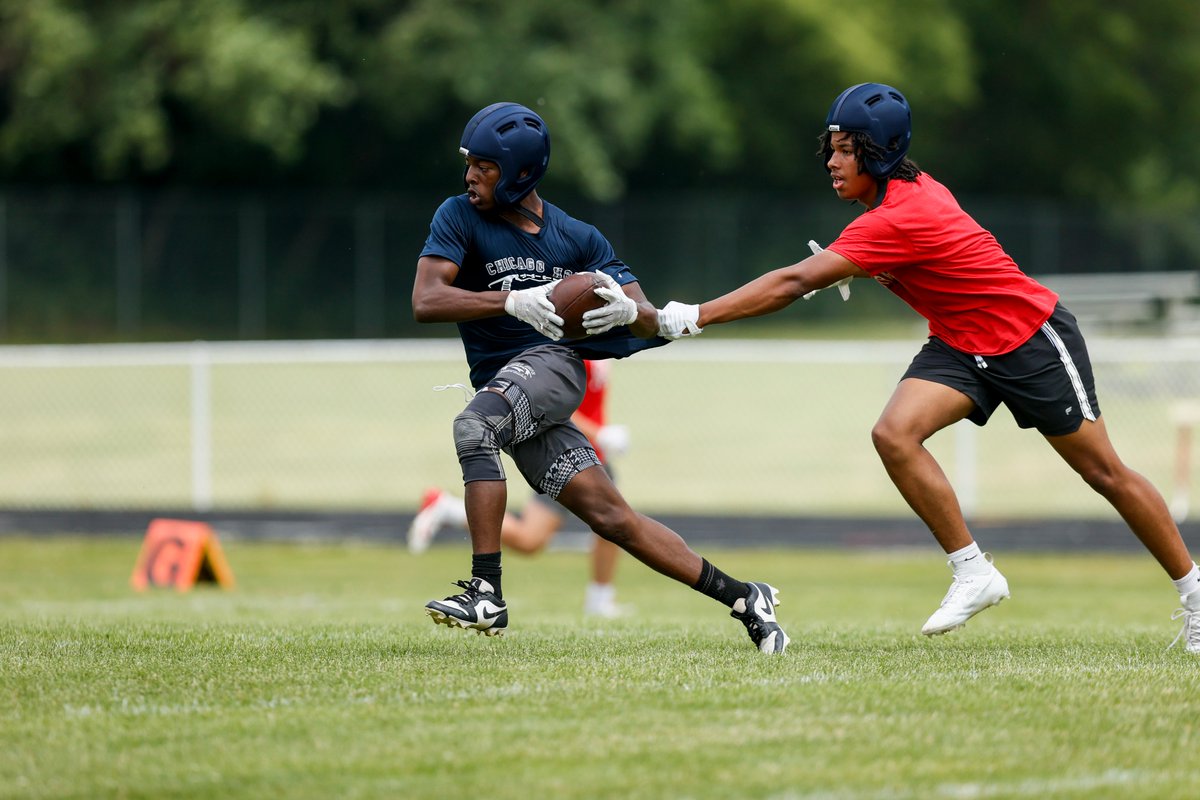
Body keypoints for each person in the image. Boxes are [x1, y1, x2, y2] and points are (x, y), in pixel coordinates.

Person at [654, 83, 1200, 653]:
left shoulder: (896, 216)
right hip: (962, 343)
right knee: (894, 434)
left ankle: (1195, 594)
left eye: (846, 150)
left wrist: (690, 316)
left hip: (1028, 338)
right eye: (831, 149)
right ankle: (974, 572)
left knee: (1104, 473)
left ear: (880, 153)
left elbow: (793, 282)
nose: (832, 162)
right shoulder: (894, 198)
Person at [411, 101, 788, 653]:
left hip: (554, 368)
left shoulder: (577, 238)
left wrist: (631, 314)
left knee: (473, 430)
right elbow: (427, 299)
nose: (470, 175)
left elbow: (646, 316)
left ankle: (486, 592)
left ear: (520, 172)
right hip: (507, 384)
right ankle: (746, 597)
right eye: (470, 162)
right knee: (614, 518)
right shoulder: (458, 215)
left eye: (485, 166)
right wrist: (512, 300)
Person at [408, 360, 633, 618]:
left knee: (611, 525)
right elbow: (554, 402)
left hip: (591, 452)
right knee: (538, 538)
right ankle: (449, 508)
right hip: (570, 454)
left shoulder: (600, 341)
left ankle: (600, 599)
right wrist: (600, 433)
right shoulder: (568, 346)